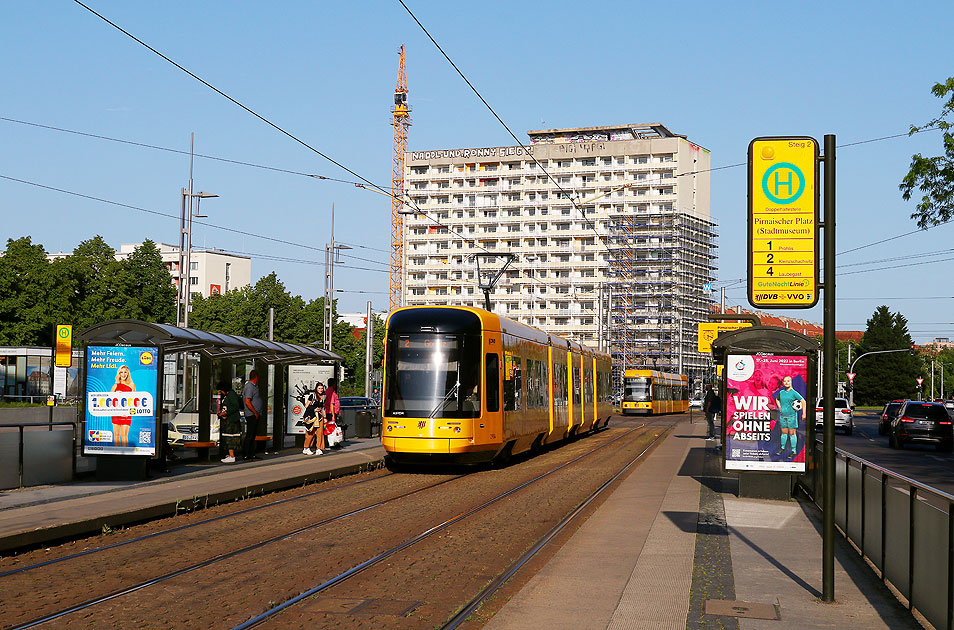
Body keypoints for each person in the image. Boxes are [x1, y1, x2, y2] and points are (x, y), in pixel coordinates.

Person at [773, 375, 805, 459]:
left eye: (788, 381)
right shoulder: (781, 392)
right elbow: (777, 399)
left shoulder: (794, 392)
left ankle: (793, 451)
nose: (786, 382)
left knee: (792, 433)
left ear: (791, 382)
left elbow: (803, 401)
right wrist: (780, 407)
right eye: (785, 381)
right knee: (784, 433)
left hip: (791, 417)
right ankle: (782, 448)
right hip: (783, 416)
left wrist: (804, 413)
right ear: (783, 383)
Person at [218, 380, 243, 463]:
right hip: (228, 419)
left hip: (232, 420)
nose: (220, 392)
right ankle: (230, 454)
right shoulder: (228, 395)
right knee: (227, 436)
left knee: (229, 437)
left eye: (221, 390)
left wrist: (226, 413)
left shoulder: (231, 395)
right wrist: (221, 412)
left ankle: (232, 456)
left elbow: (235, 406)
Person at [110, 365, 135, 447]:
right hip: (116, 413)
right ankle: (116, 453)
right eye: (121, 372)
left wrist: (129, 412)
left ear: (128, 374)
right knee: (116, 435)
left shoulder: (132, 385)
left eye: (125, 372)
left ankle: (125, 453)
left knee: (124, 435)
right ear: (119, 374)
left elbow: (134, 401)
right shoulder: (115, 386)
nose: (123, 374)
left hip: (127, 413)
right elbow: (109, 401)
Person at [241, 370, 264, 461]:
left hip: (255, 414)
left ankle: (251, 453)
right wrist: (255, 412)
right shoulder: (250, 387)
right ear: (256, 377)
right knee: (250, 435)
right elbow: (247, 401)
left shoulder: (254, 386)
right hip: (251, 414)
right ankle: (246, 454)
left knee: (253, 434)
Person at [302, 382, 326, 455]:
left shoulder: (324, 396)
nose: (321, 390)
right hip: (312, 416)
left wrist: (324, 417)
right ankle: (306, 447)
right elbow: (306, 406)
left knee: (320, 433)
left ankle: (319, 448)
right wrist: (313, 409)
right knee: (310, 432)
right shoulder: (312, 396)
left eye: (322, 388)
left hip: (320, 416)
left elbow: (323, 407)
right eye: (319, 388)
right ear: (316, 389)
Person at [324, 377, 341, 448]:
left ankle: (329, 443)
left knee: (327, 428)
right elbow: (332, 404)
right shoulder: (331, 393)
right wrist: (333, 415)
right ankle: (332, 444)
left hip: (327, 412)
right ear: (333, 384)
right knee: (332, 429)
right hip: (331, 413)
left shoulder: (326, 392)